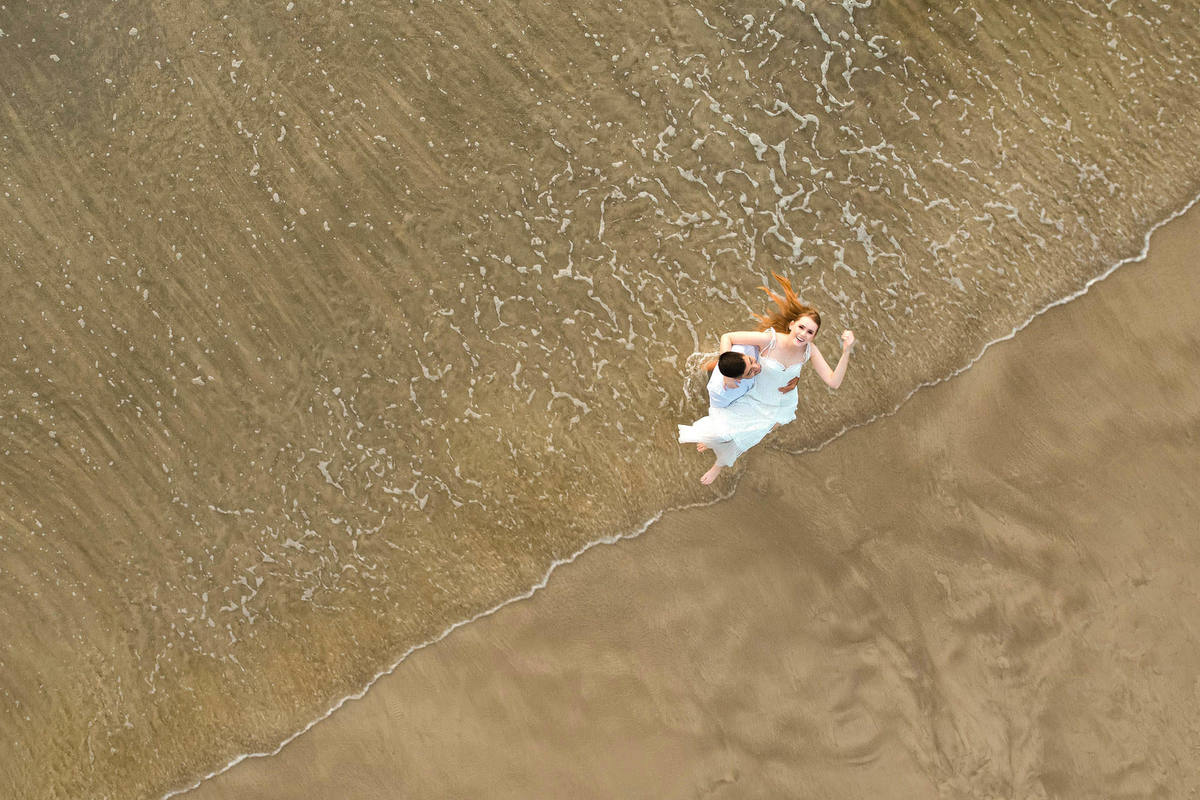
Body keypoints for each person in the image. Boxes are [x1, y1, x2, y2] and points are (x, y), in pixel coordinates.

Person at [679, 274, 856, 484]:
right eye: (801, 327)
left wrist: (847, 351)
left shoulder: (810, 351)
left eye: (810, 332)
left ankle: (718, 465)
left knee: (748, 438)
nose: (804, 334)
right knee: (722, 430)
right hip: (755, 396)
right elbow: (729, 337)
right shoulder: (770, 341)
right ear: (791, 325)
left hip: (780, 403)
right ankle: (710, 374)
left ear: (814, 336)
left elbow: (834, 381)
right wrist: (727, 372)